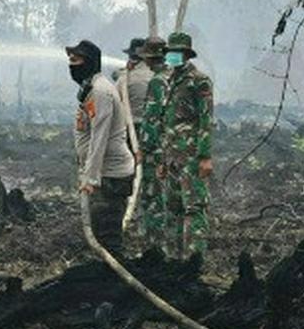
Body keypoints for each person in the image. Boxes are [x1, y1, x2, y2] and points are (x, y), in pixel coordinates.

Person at [144, 32, 213, 258]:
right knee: (172, 209)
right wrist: (162, 160)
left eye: (178, 52)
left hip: (191, 156)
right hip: (171, 155)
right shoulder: (169, 81)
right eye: (171, 52)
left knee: (194, 208)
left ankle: (193, 261)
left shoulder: (199, 81)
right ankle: (173, 261)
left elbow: (206, 119)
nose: (173, 56)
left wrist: (204, 156)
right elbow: (165, 122)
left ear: (186, 54)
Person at [67, 39, 136, 257]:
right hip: (104, 174)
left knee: (108, 236)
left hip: (111, 176)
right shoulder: (92, 88)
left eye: (75, 60)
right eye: (70, 60)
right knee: (100, 233)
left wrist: (91, 178)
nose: (71, 65)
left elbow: (100, 137)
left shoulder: (100, 92)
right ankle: (106, 275)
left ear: (89, 63)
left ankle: (116, 279)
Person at [133, 37, 167, 237]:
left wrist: (143, 149)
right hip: (174, 148)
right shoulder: (174, 77)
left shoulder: (156, 81)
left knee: (151, 196)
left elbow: (152, 120)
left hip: (155, 152)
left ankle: (154, 241)